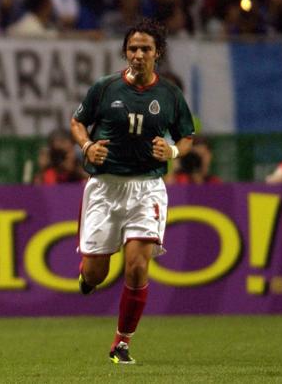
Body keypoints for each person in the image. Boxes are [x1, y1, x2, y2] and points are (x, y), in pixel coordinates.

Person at [70, 20, 194, 364]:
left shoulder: (169, 94)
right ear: (125, 52)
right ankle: (86, 276)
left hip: (147, 188)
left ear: (158, 53)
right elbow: (77, 121)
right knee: (96, 274)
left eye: (146, 49)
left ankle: (121, 343)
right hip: (105, 187)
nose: (138, 55)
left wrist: (173, 152)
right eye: (133, 49)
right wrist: (86, 145)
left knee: (137, 266)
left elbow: (187, 135)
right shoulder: (105, 88)